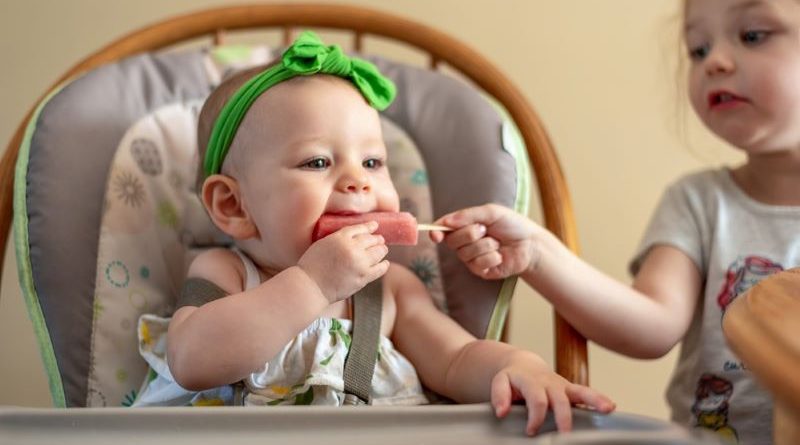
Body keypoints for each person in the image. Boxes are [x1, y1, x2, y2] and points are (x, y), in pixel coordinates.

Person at [131, 31, 615, 435]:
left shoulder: (392, 292)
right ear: (234, 205)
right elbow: (193, 359)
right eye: (317, 162)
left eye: (373, 162)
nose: (358, 181)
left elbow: (457, 359)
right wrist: (314, 284)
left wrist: (518, 366)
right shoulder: (226, 274)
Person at [431, 1, 800, 443]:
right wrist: (536, 252)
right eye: (698, 50)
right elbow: (651, 325)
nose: (716, 62)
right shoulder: (698, 202)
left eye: (753, 35)